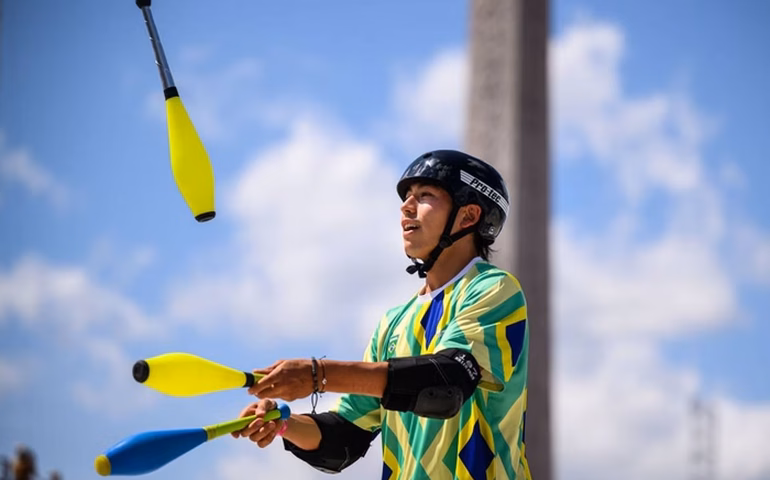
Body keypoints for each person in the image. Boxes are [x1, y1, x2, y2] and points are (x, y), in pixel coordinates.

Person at [233, 150, 531, 479]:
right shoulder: (393, 322)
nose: (406, 206)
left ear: (469, 216)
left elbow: (445, 385)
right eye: (407, 197)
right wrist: (283, 424)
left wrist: (319, 375)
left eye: (425, 195)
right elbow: (345, 436)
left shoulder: (495, 289)